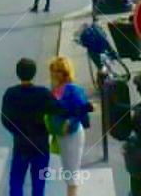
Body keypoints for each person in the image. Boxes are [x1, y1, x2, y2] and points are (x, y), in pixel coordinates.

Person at [1, 58, 60, 196]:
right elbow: (58, 111)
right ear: (34, 73)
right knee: (39, 185)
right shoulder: (43, 93)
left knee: (16, 182)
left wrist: (17, 131)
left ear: (18, 73)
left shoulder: (11, 93)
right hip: (40, 145)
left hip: (21, 145)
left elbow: (5, 120)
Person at [47, 56, 91, 196]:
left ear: (65, 72)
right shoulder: (55, 89)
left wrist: (70, 122)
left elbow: (83, 109)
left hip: (72, 134)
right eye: (53, 70)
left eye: (58, 70)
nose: (54, 73)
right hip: (61, 134)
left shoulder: (72, 89)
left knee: (71, 171)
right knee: (68, 170)